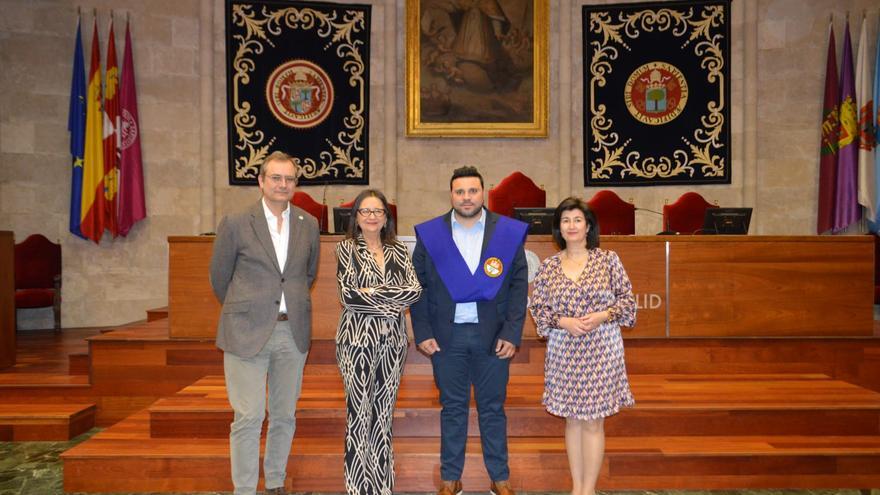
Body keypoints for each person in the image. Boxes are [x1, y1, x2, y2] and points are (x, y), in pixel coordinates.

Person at [411, 166, 529, 495]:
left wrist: (512, 332)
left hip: (494, 336)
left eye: (473, 191)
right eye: (460, 192)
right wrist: (421, 331)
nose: (466, 197)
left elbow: (520, 285)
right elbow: (417, 286)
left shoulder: (505, 233)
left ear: (484, 193)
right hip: (446, 337)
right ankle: (451, 478)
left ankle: (499, 478)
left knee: (493, 408)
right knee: (453, 408)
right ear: (451, 195)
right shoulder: (430, 234)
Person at [209, 151, 320, 495]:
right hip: (246, 331)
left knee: (284, 415)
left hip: (293, 331)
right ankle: (244, 489)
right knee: (248, 417)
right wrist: (248, 308)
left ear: (295, 184)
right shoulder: (236, 222)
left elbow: (308, 274)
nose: (282, 185)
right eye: (276, 178)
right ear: (261, 181)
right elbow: (219, 277)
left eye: (289, 179)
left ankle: (274, 483)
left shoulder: (308, 223)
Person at [528, 197, 636, 495]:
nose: (571, 225)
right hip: (565, 350)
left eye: (577, 219)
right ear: (558, 228)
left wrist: (602, 314)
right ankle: (577, 488)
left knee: (593, 423)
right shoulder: (549, 266)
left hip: (602, 348)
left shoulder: (608, 259)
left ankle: (588, 490)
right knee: (573, 422)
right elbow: (538, 308)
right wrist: (563, 321)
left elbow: (628, 302)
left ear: (588, 226)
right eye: (565, 220)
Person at [334, 189, 423, 495]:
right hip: (357, 341)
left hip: (393, 343)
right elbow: (348, 295)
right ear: (356, 217)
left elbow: (413, 291)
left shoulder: (399, 251)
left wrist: (373, 292)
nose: (371, 217)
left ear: (387, 217)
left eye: (378, 211)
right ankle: (358, 488)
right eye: (365, 211)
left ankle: (382, 486)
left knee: (383, 414)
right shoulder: (346, 249)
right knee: (359, 414)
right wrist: (390, 299)